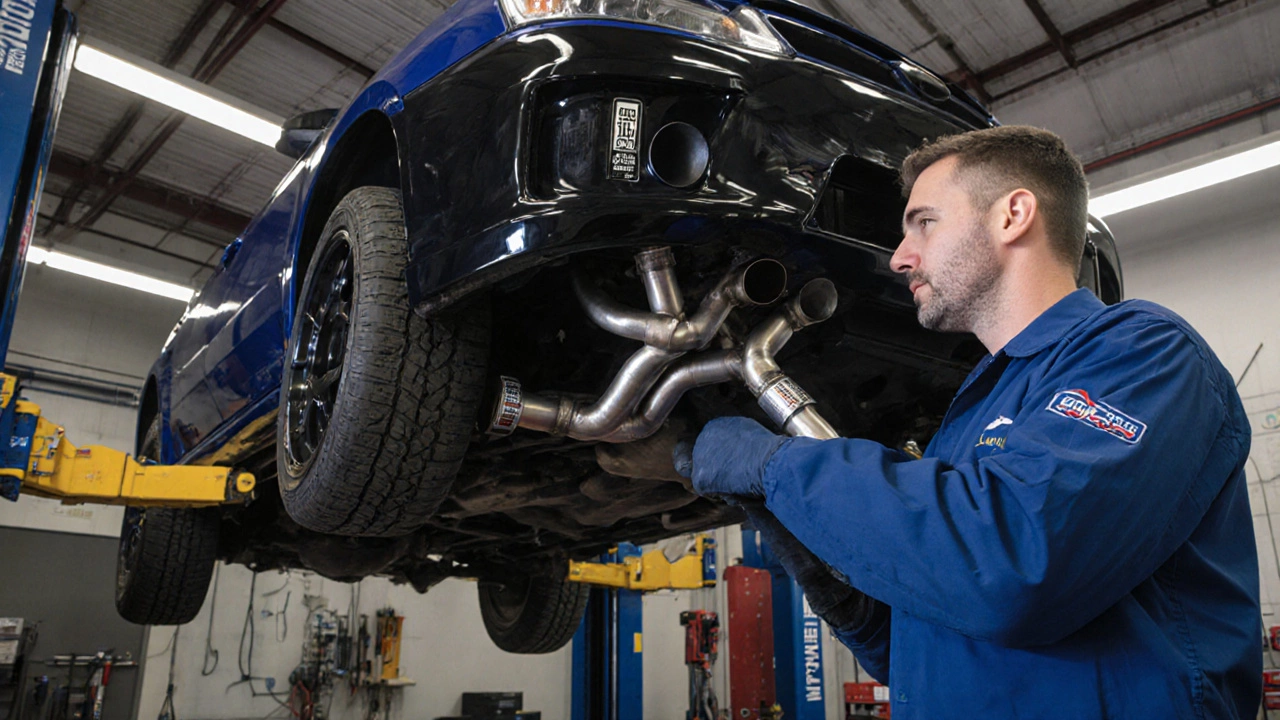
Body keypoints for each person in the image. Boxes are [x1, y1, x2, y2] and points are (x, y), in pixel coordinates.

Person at [685, 126, 1261, 718]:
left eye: (924, 223)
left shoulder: (1144, 354)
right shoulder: (969, 415)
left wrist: (779, 467)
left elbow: (1016, 569)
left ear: (1013, 215)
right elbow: (934, 642)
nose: (899, 256)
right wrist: (845, 594)